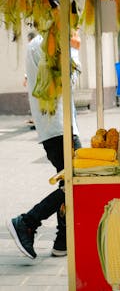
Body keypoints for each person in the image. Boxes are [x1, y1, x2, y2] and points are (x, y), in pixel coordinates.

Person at [8, 31, 82, 259]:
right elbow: (67, 81)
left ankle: (62, 241)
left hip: (58, 126)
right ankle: (28, 221)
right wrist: (75, 50)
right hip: (58, 126)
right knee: (76, 180)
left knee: (69, 181)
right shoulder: (44, 45)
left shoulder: (40, 44)